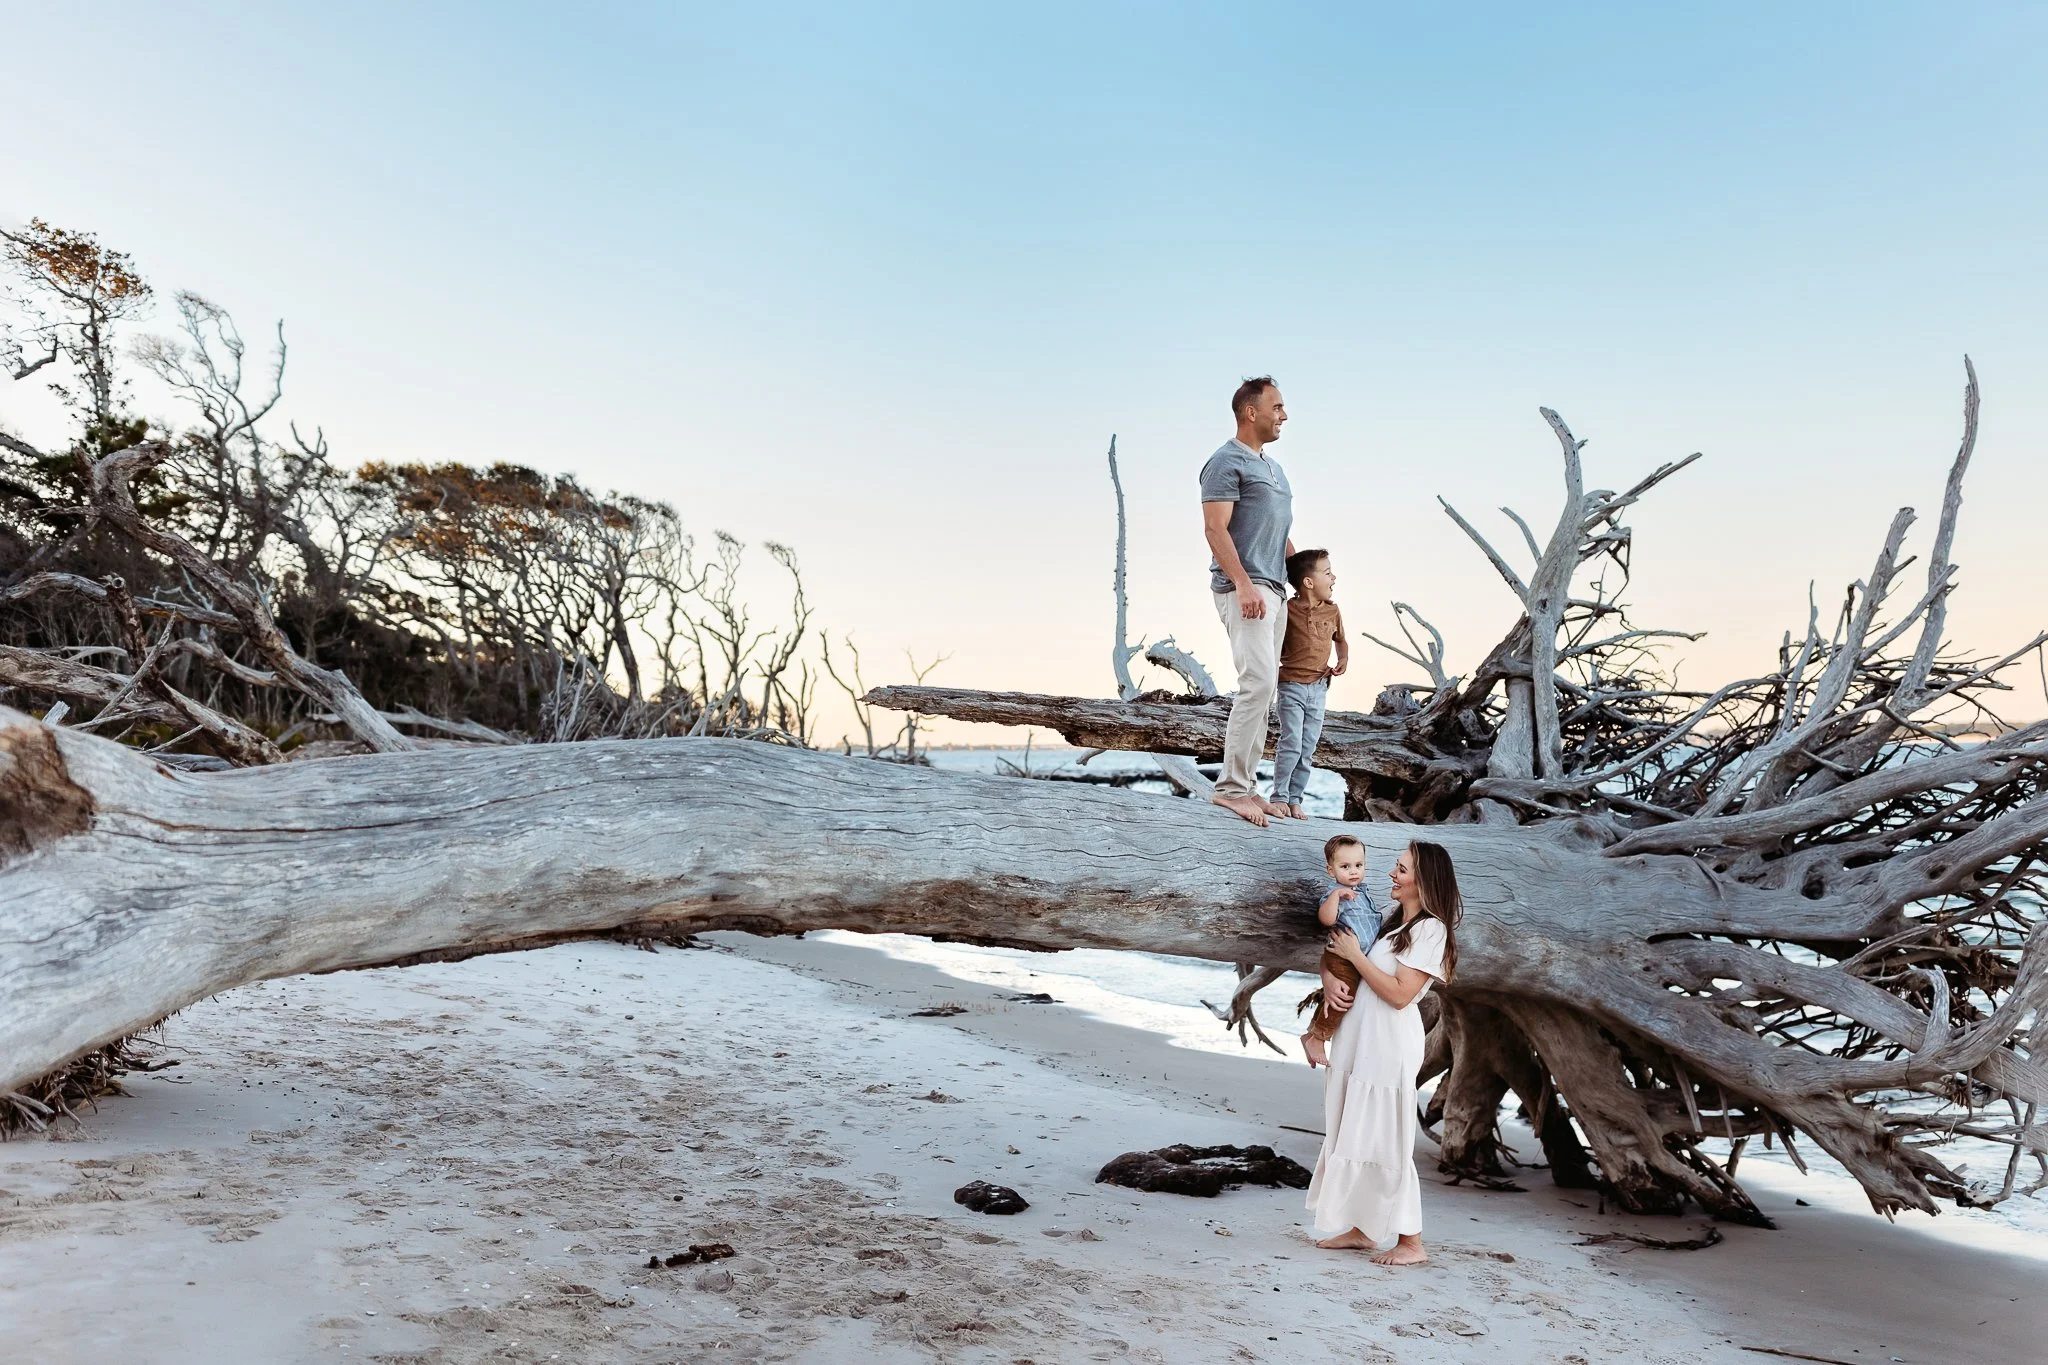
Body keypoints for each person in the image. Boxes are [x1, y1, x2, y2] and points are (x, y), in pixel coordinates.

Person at [1304, 840, 1462, 1266]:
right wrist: (1329, 976)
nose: (1392, 874)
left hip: (1388, 1043)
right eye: (1395, 866)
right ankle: (1362, 1229)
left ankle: (1411, 1241)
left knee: (1385, 1137)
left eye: (1402, 869)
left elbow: (1399, 994)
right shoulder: (1392, 923)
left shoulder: (1431, 930)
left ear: (1424, 881)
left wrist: (1356, 954)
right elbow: (1343, 958)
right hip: (1360, 1037)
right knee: (1355, 1129)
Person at [1200, 376, 1295, 827]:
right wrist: (1242, 584)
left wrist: (1304, 580)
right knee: (1256, 683)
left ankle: (1249, 788)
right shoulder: (1225, 461)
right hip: (1246, 588)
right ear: (1250, 412)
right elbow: (1215, 529)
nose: (1284, 415)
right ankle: (1231, 789)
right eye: (1276, 407)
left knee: (1266, 690)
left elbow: (1278, 530)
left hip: (1275, 589)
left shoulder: (1273, 467)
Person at [1272, 548, 1347, 819]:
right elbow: (1273, 642)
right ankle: (1279, 796)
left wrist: (1343, 659)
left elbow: (1340, 639)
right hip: (1291, 685)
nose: (1334, 577)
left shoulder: (1332, 611)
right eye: (1327, 573)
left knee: (1308, 747)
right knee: (1291, 742)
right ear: (1308, 582)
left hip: (1319, 688)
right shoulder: (1287, 610)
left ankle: (1295, 799)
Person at [1299, 833, 1380, 1070]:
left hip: (1355, 958)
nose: (1353, 871)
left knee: (1343, 995)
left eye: (1358, 865)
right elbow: (1326, 919)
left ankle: (1312, 1035)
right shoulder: (1336, 893)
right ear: (1330, 870)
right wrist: (1335, 896)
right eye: (1345, 866)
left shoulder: (1362, 892)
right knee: (1344, 996)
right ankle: (1318, 1037)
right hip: (1342, 957)